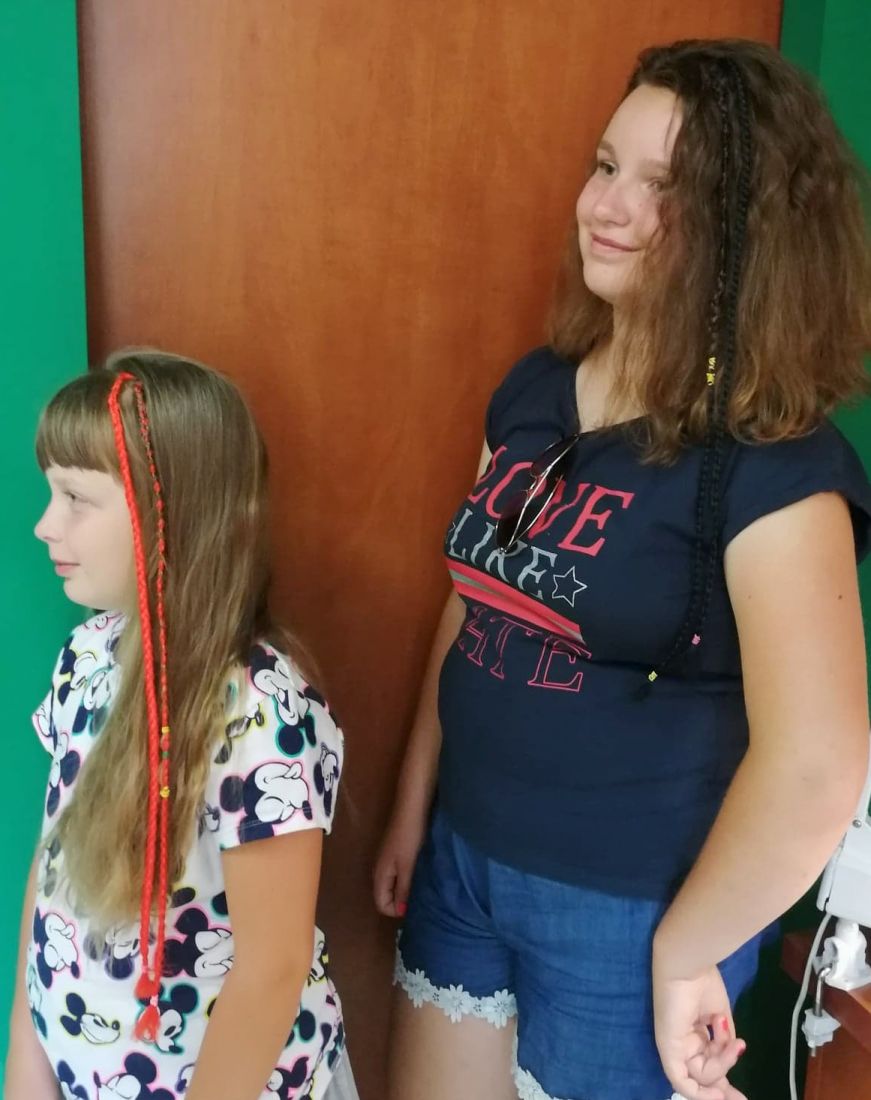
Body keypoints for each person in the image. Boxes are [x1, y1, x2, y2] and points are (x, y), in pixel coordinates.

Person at [374, 37, 871, 1100]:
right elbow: (476, 603)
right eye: (606, 166)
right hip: (464, 860)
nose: (606, 206)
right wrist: (414, 803)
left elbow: (819, 765)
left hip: (629, 909)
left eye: (662, 187)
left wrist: (689, 949)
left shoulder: (777, 465)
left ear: (747, 235)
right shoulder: (535, 389)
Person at [5, 351, 357, 1100]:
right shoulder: (87, 657)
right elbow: (54, 861)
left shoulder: (258, 710)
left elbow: (272, 969)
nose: (44, 525)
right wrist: (26, 1064)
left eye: (75, 498)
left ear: (172, 515)